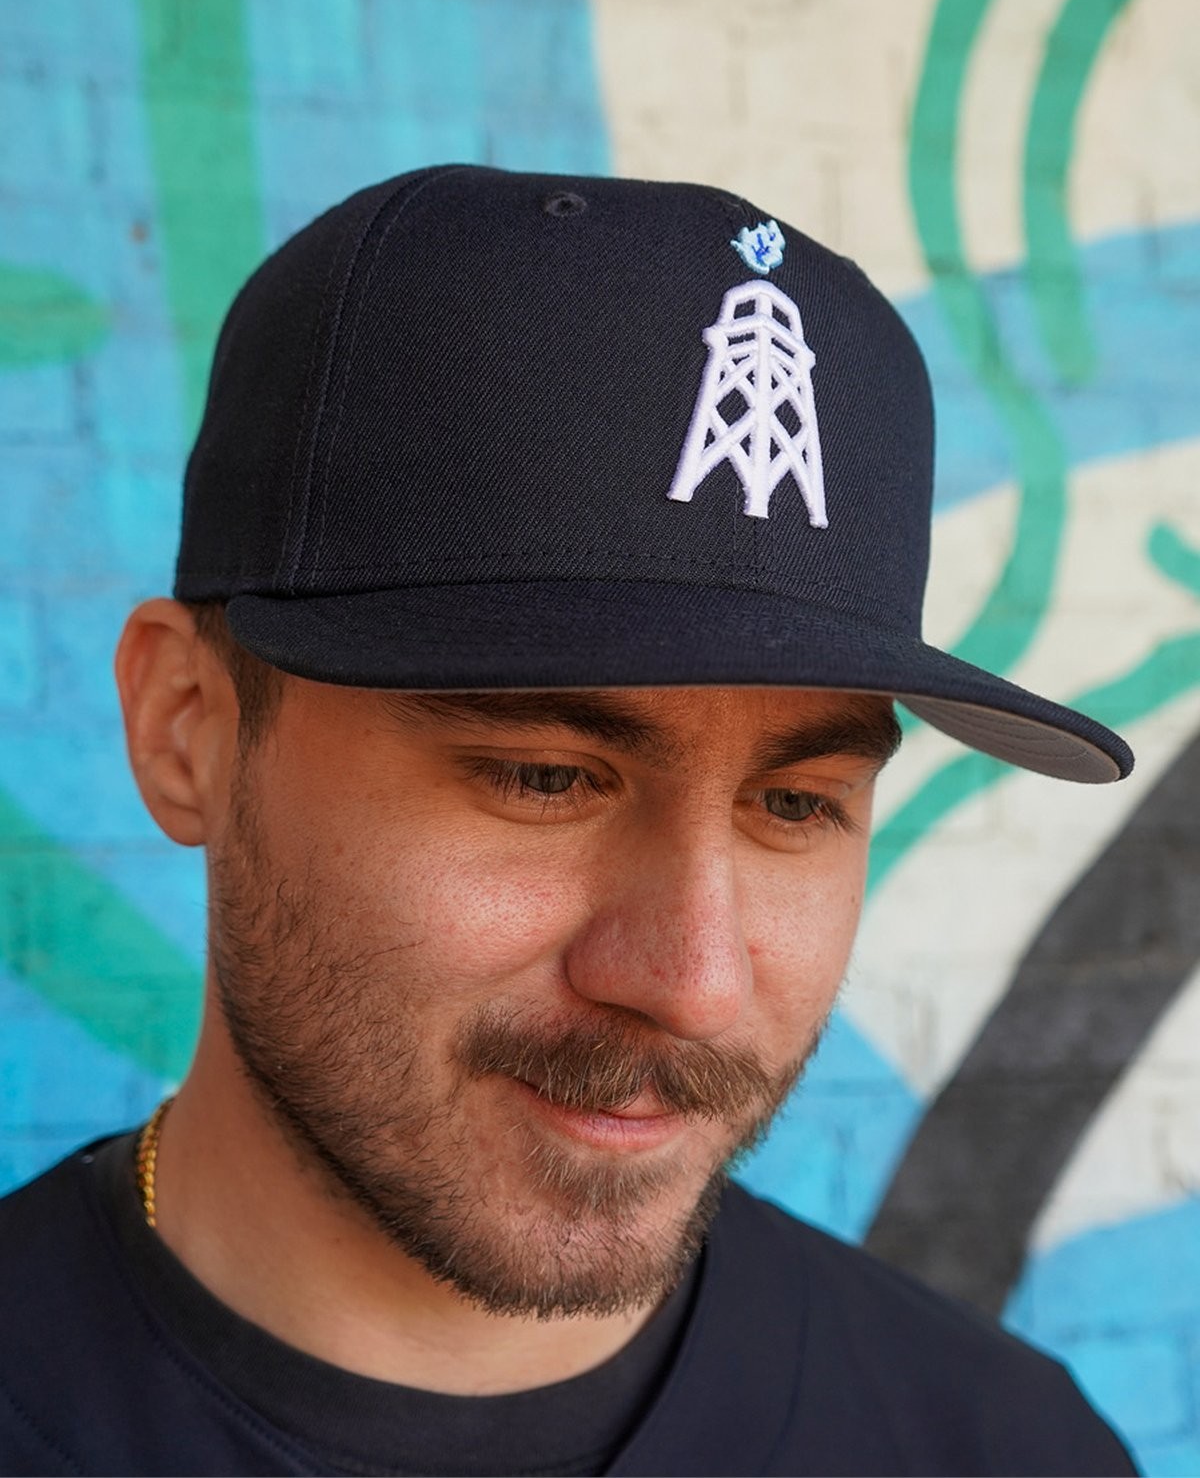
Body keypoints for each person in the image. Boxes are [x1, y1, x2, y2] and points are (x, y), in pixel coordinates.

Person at [0, 166, 1138, 1477]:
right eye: (544, 778)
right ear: (187, 728)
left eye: (793, 804)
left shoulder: (1007, 1448)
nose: (694, 985)